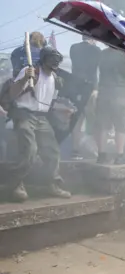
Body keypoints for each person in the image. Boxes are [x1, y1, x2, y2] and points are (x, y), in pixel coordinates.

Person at [5, 47, 71, 202]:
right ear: (44, 59)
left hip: (42, 118)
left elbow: (49, 101)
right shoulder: (30, 71)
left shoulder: (54, 76)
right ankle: (15, 184)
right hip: (25, 114)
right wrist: (24, 79)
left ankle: (51, 184)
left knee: (52, 152)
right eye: (52, 60)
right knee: (30, 149)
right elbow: (12, 94)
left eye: (57, 61)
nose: (55, 63)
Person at [95, 47, 125, 165]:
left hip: (103, 94)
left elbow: (96, 73)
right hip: (120, 95)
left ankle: (101, 155)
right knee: (121, 126)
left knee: (103, 125)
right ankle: (119, 155)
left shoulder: (102, 54)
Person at [69, 35, 102, 160]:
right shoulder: (97, 51)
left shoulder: (73, 48)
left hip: (76, 87)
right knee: (95, 120)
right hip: (91, 88)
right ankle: (99, 151)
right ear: (93, 38)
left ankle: (75, 151)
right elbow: (99, 68)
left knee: (77, 120)